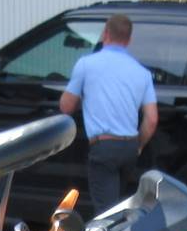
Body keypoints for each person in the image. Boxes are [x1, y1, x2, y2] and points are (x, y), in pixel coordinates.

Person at [59, 13, 159, 215]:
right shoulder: (142, 73)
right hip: (130, 147)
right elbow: (152, 119)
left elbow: (66, 107)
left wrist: (84, 96)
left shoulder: (86, 64)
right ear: (128, 40)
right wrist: (138, 145)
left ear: (105, 34)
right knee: (118, 207)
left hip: (104, 147)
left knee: (106, 214)